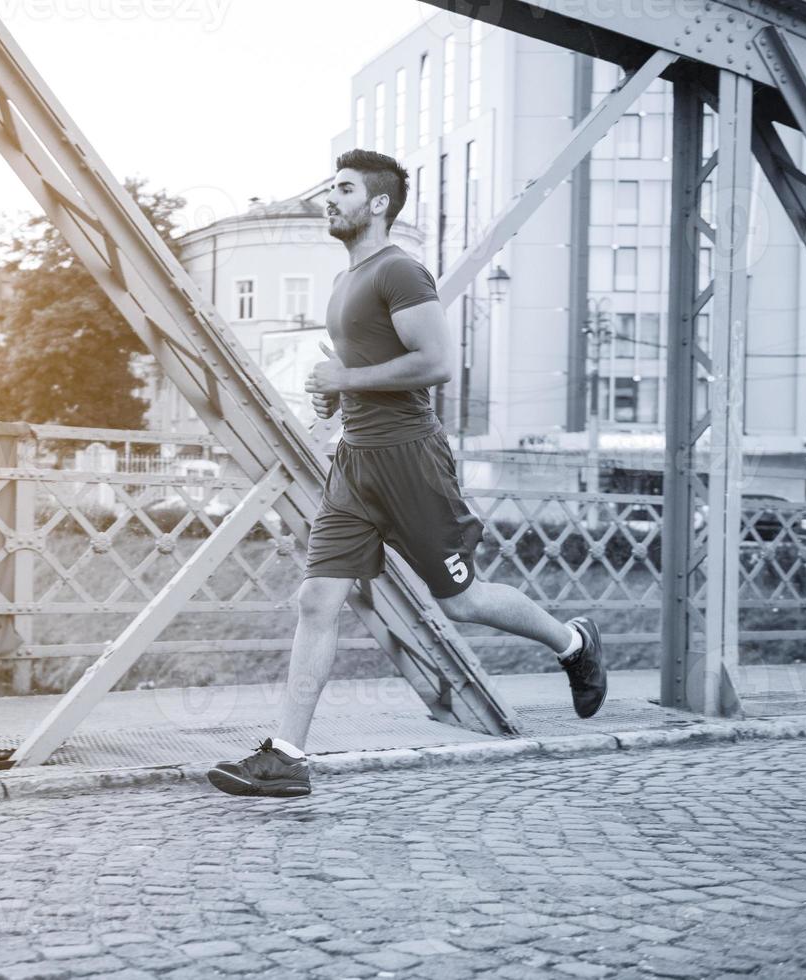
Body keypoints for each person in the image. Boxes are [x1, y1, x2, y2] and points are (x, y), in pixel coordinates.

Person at [206, 150, 606, 799]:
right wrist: (335, 397)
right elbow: (367, 368)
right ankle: (286, 756)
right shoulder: (344, 282)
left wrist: (347, 377)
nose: (328, 200)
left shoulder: (399, 271)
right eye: (330, 189)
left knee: (462, 600)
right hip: (354, 462)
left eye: (342, 190)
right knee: (316, 601)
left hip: (410, 459)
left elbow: (438, 362)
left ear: (379, 203)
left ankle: (572, 641)